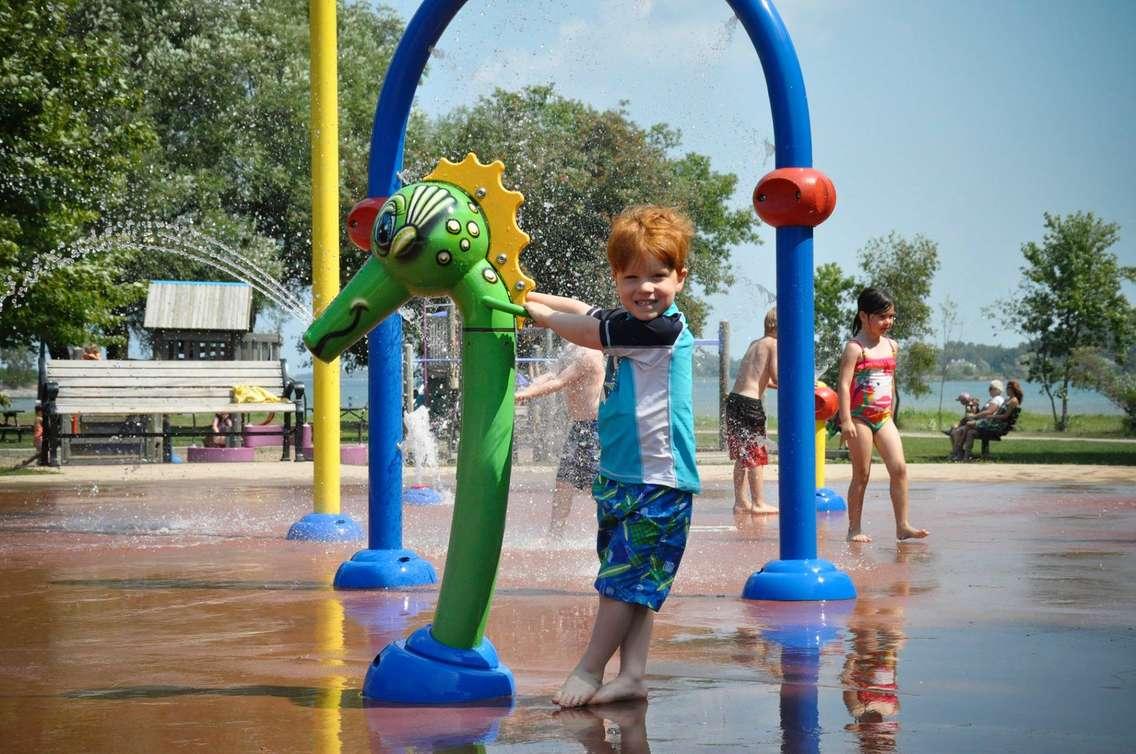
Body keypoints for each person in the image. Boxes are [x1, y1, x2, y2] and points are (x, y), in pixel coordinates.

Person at [523, 205, 700, 708]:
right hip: (623, 475)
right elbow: (584, 309)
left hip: (659, 481)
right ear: (617, 279)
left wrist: (533, 314)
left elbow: (582, 330)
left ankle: (589, 669)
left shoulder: (659, 330)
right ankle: (633, 676)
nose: (645, 288)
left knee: (620, 583)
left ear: (680, 279)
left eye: (658, 277)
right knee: (633, 582)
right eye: (632, 278)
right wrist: (524, 291)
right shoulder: (632, 321)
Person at [837, 287, 929, 544]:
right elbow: (844, 385)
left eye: (891, 317)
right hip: (859, 417)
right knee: (862, 473)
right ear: (864, 316)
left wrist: (889, 412)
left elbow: (889, 381)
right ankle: (854, 528)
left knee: (899, 469)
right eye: (882, 317)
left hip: (883, 417)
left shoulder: (892, 346)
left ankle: (903, 525)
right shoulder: (855, 348)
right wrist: (845, 420)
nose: (888, 322)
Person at [515, 341, 605, 535]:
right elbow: (552, 375)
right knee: (564, 482)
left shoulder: (589, 354)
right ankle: (555, 533)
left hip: (593, 428)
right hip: (579, 428)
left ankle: (615, 525)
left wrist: (525, 394)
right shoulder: (572, 349)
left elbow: (559, 382)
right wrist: (528, 386)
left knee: (595, 486)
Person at [725, 306, 778, 514]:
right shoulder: (774, 344)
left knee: (741, 454)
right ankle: (758, 503)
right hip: (750, 405)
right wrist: (800, 385)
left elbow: (758, 378)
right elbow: (775, 376)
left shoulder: (755, 343)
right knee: (756, 453)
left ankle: (740, 501)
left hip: (735, 400)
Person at [953, 379, 1023, 460]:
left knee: (969, 424)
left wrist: (991, 417)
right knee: (970, 432)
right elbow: (999, 412)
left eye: (1008, 388)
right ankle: (965, 456)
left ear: (1012, 389)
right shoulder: (1007, 399)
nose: (1006, 390)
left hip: (998, 426)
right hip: (994, 423)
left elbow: (1005, 416)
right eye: (1007, 388)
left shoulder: (1014, 401)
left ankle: (958, 450)